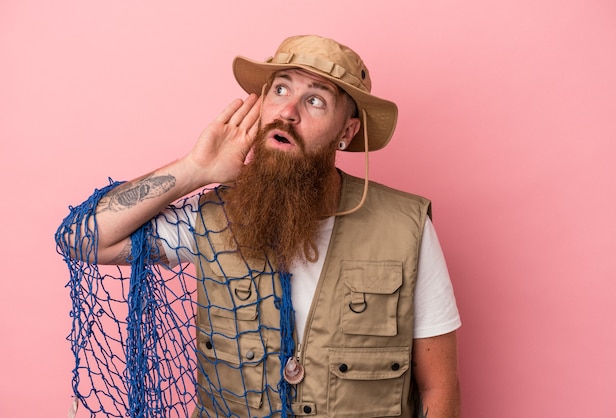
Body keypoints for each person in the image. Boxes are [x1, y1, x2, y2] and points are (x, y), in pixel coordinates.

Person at [57, 35, 461, 417]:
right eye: (280, 90)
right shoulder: (211, 217)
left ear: (347, 132)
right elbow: (83, 240)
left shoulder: (405, 228)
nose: (288, 112)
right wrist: (195, 169)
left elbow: (437, 388)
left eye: (315, 100)